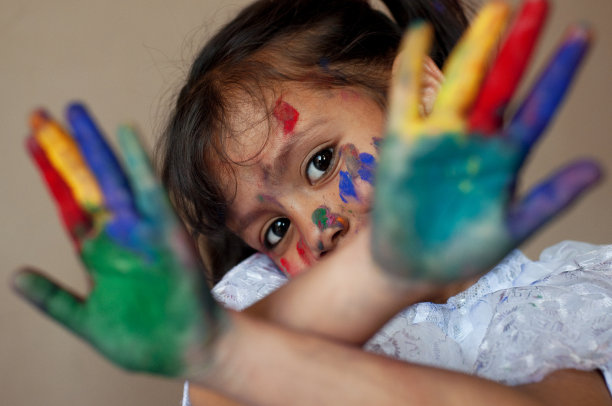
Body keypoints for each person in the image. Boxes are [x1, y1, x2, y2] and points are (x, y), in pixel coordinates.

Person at [14, 0, 612, 405]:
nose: (314, 231)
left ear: (422, 93)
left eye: (320, 162)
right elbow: (223, 385)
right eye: (275, 230)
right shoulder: (262, 306)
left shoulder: (568, 295)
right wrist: (222, 350)